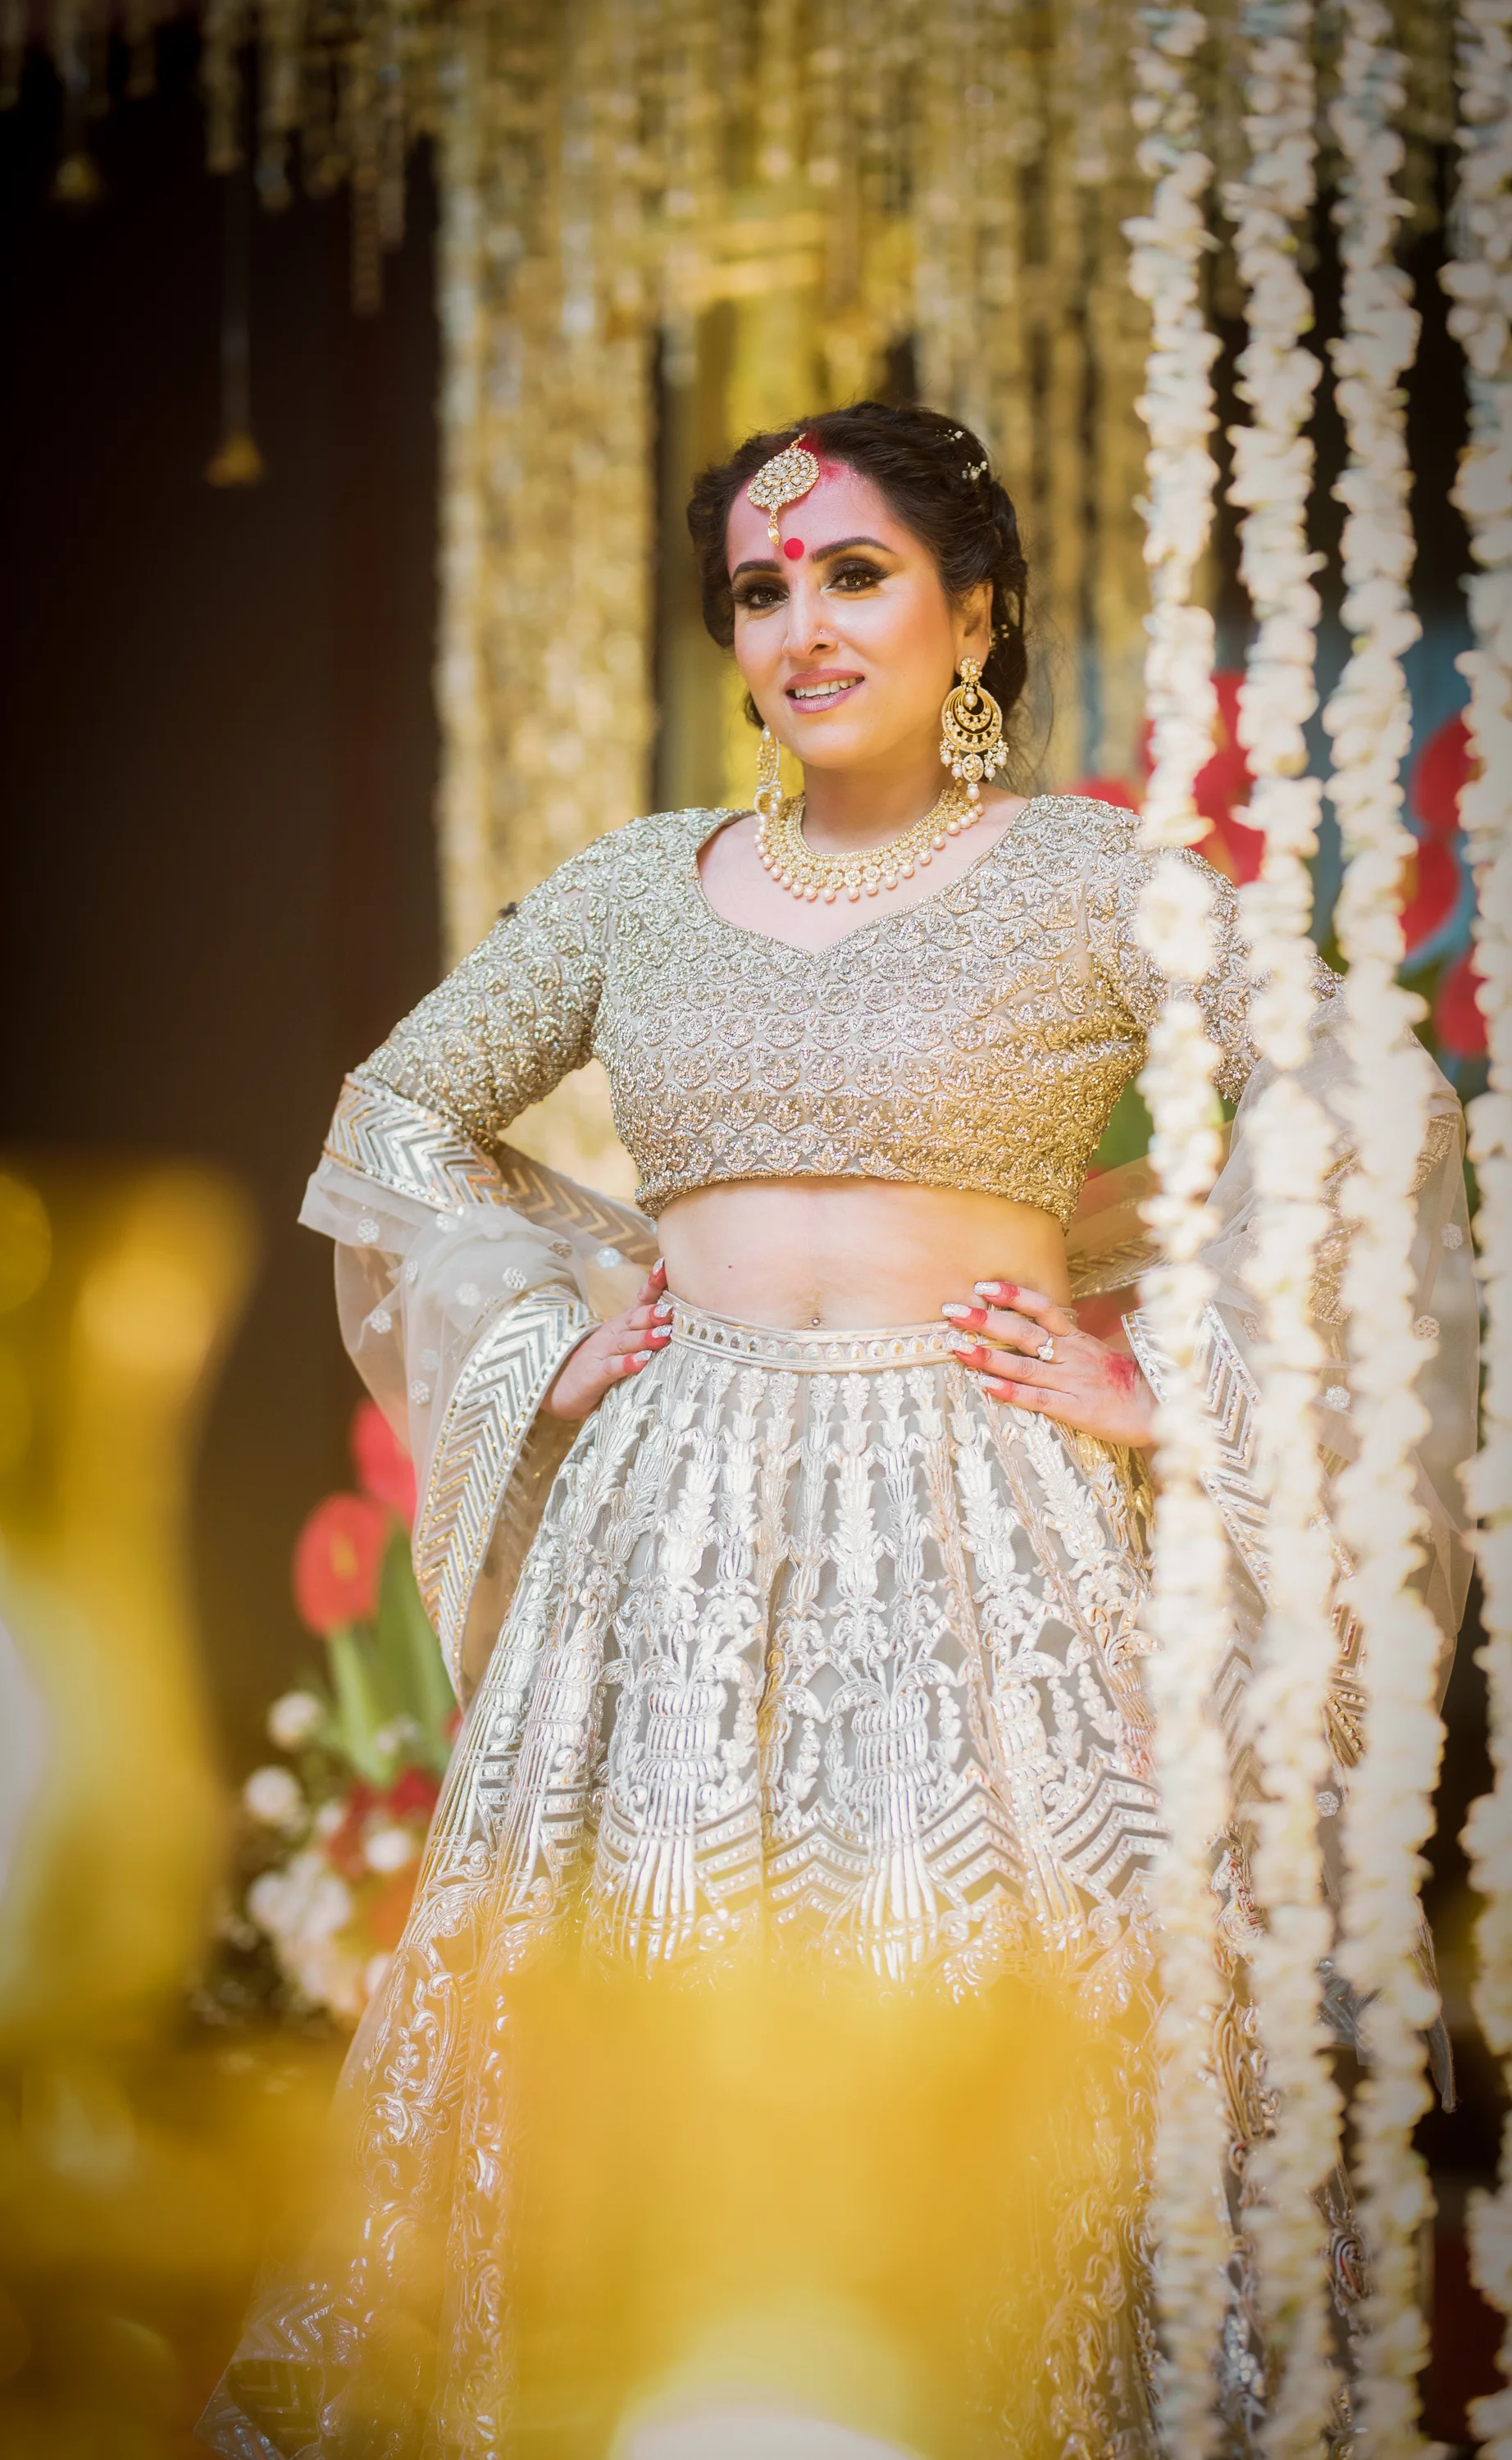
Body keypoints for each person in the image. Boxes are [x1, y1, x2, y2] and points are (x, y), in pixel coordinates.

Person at [200, 403, 1475, 2459]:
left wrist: (1171, 1380)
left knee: (1015, 2044)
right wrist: (549, 1325)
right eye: (762, 589)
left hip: (987, 1516)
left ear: (972, 617)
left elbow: (1369, 1091)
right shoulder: (639, 888)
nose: (801, 624)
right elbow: (393, 1118)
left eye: (855, 574)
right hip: (666, 1536)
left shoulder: (1084, 875)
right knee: (634, 2022)